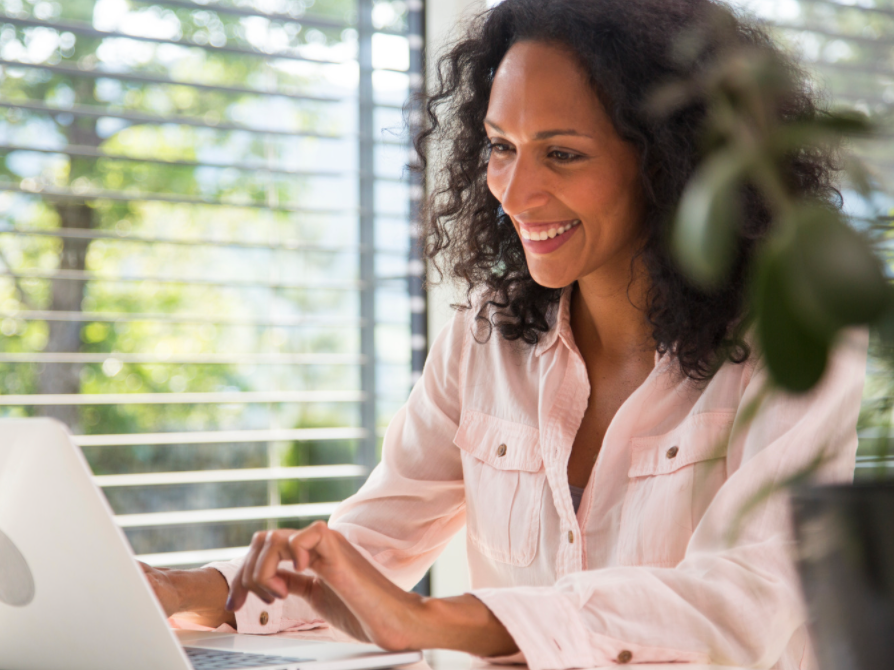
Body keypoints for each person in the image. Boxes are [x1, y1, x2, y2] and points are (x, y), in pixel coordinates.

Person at [141, 0, 868, 666]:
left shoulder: (796, 335)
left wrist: (435, 621)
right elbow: (371, 547)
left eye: (561, 153)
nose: (514, 194)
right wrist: (187, 590)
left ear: (670, 165)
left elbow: (746, 599)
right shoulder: (487, 338)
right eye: (499, 146)